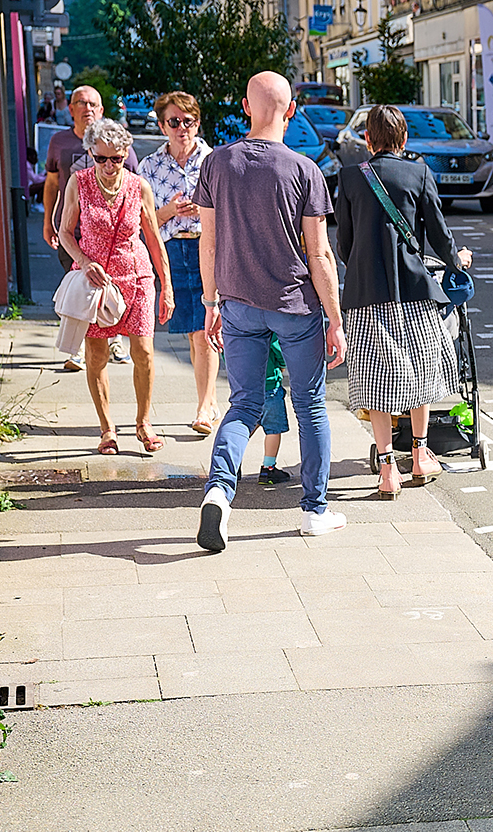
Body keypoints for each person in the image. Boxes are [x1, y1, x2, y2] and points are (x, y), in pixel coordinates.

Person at [195, 71, 347, 550]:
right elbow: (319, 253)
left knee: (244, 405)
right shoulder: (305, 170)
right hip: (295, 306)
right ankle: (314, 510)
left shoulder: (217, 163)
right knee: (310, 405)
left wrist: (210, 299)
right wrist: (336, 318)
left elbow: (209, 239)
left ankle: (219, 492)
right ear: (291, 111)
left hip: (238, 303)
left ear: (245, 106)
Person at [335, 105, 471, 498]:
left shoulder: (349, 178)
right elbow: (441, 235)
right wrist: (456, 260)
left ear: (367, 139)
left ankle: (386, 469)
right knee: (421, 374)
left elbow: (344, 245)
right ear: (404, 139)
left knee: (374, 381)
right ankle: (421, 453)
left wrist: (365, 262)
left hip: (364, 295)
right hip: (413, 292)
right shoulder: (419, 174)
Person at [53, 118, 174, 455]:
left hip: (136, 277)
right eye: (100, 158)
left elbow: (153, 238)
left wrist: (167, 286)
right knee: (97, 355)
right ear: (91, 153)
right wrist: (84, 259)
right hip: (96, 280)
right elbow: (65, 232)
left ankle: (143, 422)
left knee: (145, 353)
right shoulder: (78, 183)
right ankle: (107, 429)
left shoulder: (139, 187)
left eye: (116, 159)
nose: (108, 166)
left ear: (125, 154)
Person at [139, 91, 219, 435]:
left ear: (197, 123)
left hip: (208, 247)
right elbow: (142, 223)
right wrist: (171, 209)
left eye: (188, 121)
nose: (182, 128)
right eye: (174, 122)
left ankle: (204, 407)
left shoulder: (214, 160)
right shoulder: (150, 167)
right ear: (162, 126)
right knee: (191, 333)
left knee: (205, 332)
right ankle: (211, 398)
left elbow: (229, 211)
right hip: (172, 253)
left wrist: (205, 212)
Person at [45, 85, 141, 372]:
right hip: (71, 231)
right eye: (81, 103)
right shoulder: (59, 142)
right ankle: (77, 349)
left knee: (110, 287)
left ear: (101, 110)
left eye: (93, 104)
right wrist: (48, 221)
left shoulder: (118, 146)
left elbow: (134, 184)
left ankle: (113, 338)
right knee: (80, 289)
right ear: (71, 108)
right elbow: (51, 185)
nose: (87, 108)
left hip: (108, 234)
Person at [256, 336, 293, 485]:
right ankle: (268, 468)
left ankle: (234, 461)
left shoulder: (235, 323)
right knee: (273, 430)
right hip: (270, 385)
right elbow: (278, 349)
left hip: (245, 386)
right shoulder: (267, 326)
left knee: (246, 424)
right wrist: (283, 364)